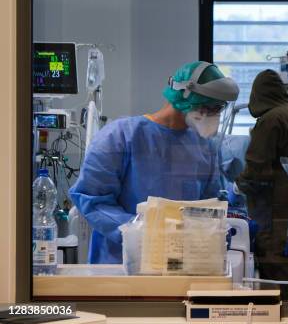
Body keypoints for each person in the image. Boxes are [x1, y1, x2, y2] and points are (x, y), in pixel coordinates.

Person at [70, 61, 239, 264]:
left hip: (181, 266)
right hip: (121, 264)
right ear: (189, 99)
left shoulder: (204, 148)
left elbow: (209, 205)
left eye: (219, 109)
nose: (215, 116)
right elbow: (92, 199)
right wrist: (142, 233)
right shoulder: (120, 136)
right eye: (212, 108)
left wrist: (215, 231)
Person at [237, 70, 288, 284]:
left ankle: (277, 314)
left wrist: (238, 186)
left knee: (274, 270)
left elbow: (256, 167)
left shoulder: (271, 120)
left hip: (274, 211)